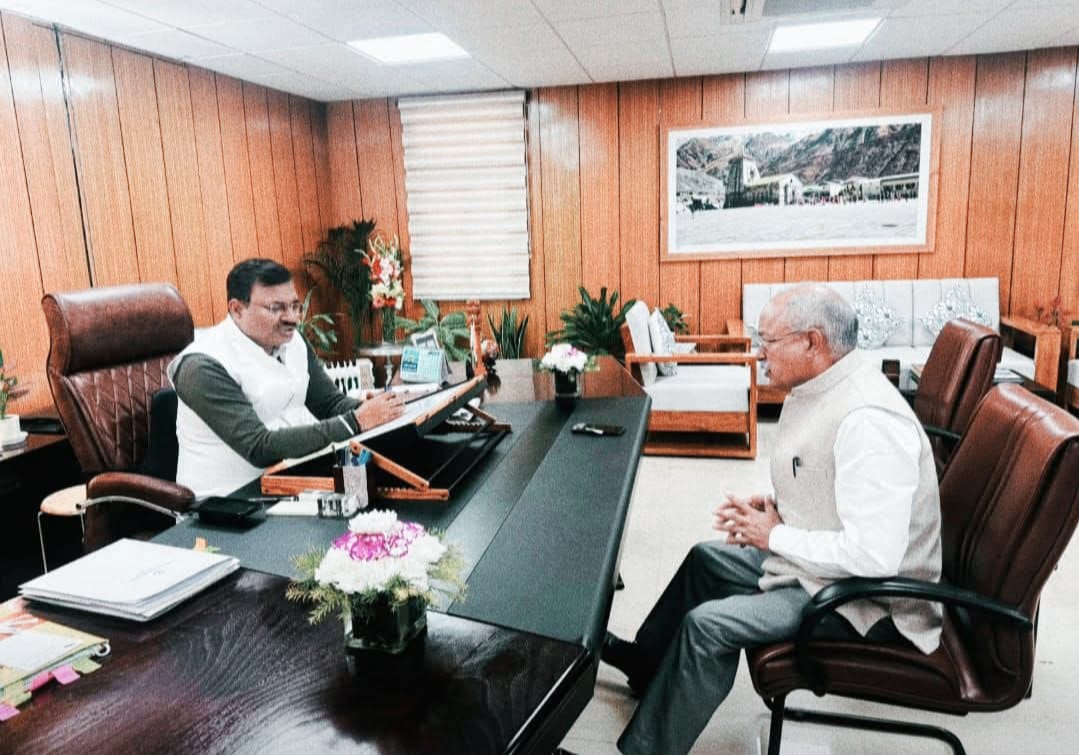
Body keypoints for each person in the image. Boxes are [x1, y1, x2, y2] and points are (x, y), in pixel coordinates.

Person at [603, 283, 943, 755]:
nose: (760, 353)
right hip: (827, 571)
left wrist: (776, 535)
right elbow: (832, 485)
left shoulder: (868, 421)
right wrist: (778, 509)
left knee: (709, 625)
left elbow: (875, 558)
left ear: (812, 342)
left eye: (769, 340)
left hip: (867, 603)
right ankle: (646, 666)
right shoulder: (823, 386)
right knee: (706, 560)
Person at [169, 258, 405, 497]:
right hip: (228, 500)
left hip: (289, 479)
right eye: (276, 308)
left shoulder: (292, 341)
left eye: (294, 306)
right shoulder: (201, 365)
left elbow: (330, 404)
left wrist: (384, 408)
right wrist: (356, 421)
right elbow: (259, 447)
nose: (292, 318)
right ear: (237, 309)